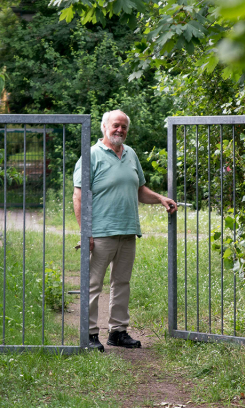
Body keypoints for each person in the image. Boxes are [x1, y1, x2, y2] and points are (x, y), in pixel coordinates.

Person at [73, 109, 177, 351]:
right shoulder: (91, 156)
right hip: (100, 233)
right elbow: (79, 197)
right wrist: (85, 231)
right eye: (116, 125)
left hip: (128, 231)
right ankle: (88, 335)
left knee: (121, 283)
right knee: (93, 285)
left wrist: (160, 198)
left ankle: (117, 332)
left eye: (124, 127)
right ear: (104, 127)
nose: (120, 130)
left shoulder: (130, 154)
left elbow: (140, 189)